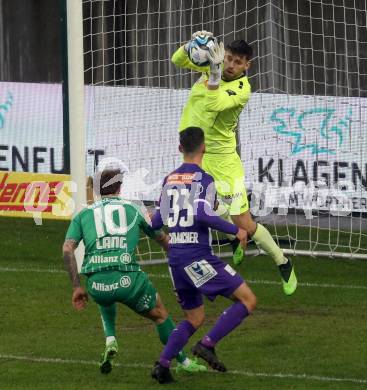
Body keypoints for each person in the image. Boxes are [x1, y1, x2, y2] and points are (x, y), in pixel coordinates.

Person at [171, 31, 297, 295]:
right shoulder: (212, 64)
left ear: (246, 66)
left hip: (224, 160)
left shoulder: (242, 89)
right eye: (228, 58)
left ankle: (282, 262)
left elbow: (215, 103)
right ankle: (233, 240)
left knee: (245, 222)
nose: (230, 64)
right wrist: (192, 44)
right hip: (196, 153)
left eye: (237, 62)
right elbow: (177, 60)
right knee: (203, 207)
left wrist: (214, 73)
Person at [62, 169, 206, 375]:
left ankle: (110, 340)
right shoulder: (134, 209)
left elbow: (67, 248)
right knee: (160, 315)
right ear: (120, 187)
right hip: (128, 281)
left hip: (96, 284)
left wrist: (77, 287)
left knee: (106, 296)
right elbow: (163, 240)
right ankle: (184, 362)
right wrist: (181, 265)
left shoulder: (83, 214)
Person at [150, 127, 257, 384]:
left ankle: (163, 365)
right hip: (196, 258)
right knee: (247, 300)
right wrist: (237, 230)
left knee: (194, 317)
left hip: (175, 259)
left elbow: (155, 222)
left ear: (180, 149)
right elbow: (201, 214)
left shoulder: (169, 180)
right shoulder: (204, 179)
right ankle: (208, 345)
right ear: (204, 148)